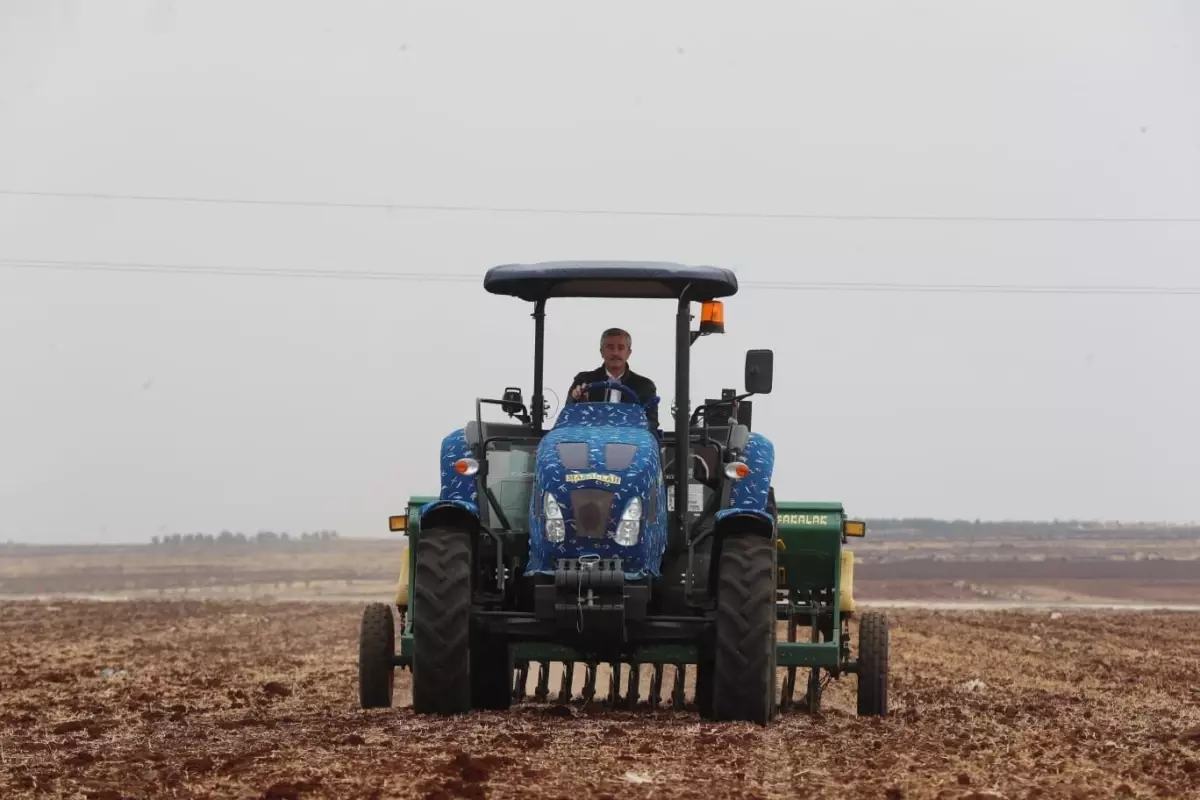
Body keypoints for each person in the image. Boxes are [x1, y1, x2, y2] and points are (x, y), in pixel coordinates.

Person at [567, 327, 659, 430]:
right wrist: (578, 400)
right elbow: (568, 416)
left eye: (620, 348)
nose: (615, 353)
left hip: (629, 439)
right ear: (602, 352)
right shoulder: (583, 380)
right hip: (590, 437)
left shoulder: (645, 386)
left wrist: (638, 421)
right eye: (610, 347)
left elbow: (652, 424)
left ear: (628, 353)